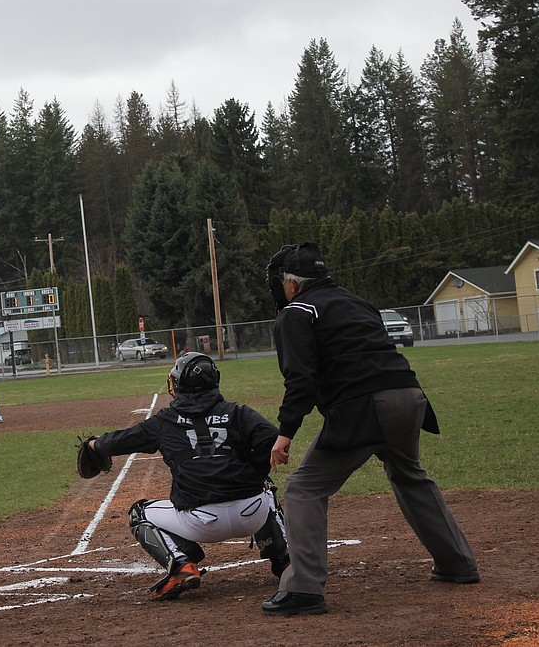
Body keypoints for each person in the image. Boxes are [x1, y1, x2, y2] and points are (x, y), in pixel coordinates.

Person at [261, 243, 478, 618]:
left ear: (292, 285)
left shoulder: (296, 312)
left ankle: (304, 588)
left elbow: (301, 380)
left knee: (302, 488)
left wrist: (285, 433)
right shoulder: (356, 301)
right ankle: (458, 564)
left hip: (365, 407)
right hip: (410, 397)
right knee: (410, 475)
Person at [83, 352, 291, 601]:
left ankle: (181, 564)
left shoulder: (164, 421)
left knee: (139, 513)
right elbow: (272, 437)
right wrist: (254, 472)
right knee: (266, 488)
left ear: (178, 384)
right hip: (251, 514)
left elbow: (122, 440)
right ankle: (286, 560)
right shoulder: (237, 412)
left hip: (201, 522)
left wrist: (95, 445)